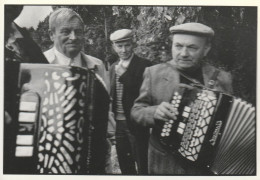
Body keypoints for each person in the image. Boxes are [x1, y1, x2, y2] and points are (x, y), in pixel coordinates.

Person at [131, 22, 233, 175]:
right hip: (164, 164)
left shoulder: (222, 78)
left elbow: (230, 123)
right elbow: (136, 111)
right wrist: (154, 112)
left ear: (206, 49)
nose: (183, 53)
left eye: (192, 48)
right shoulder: (154, 73)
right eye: (178, 46)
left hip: (205, 168)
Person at [44, 8, 113, 174]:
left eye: (78, 32)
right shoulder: (39, 65)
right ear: (52, 34)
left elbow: (105, 109)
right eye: (66, 31)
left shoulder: (97, 66)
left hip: (92, 152)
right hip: (52, 154)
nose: (73, 37)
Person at [109, 29, 152, 174]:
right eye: (119, 46)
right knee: (125, 165)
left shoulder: (145, 65)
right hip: (118, 124)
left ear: (132, 44)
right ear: (114, 47)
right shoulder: (112, 67)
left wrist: (125, 75)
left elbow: (147, 94)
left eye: (127, 45)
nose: (123, 50)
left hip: (137, 124)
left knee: (143, 165)